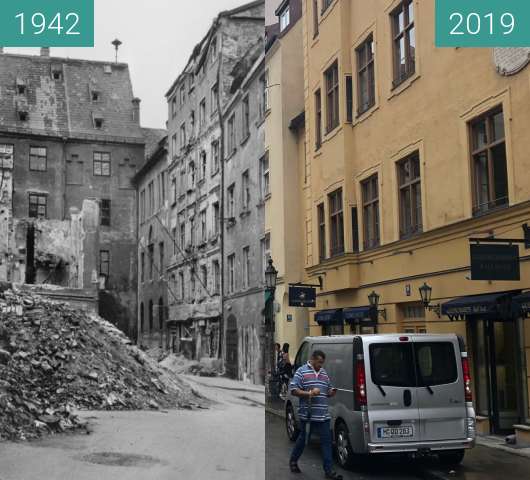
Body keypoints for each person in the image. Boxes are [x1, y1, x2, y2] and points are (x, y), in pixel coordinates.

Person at [289, 350, 342, 480]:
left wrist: (330, 392)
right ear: (312, 359)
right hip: (308, 415)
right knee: (303, 440)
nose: (321, 365)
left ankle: (328, 471)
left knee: (326, 442)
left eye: (322, 363)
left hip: (323, 415)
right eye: (319, 362)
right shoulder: (301, 371)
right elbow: (293, 390)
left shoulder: (323, 373)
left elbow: (327, 389)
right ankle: (293, 461)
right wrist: (310, 393)